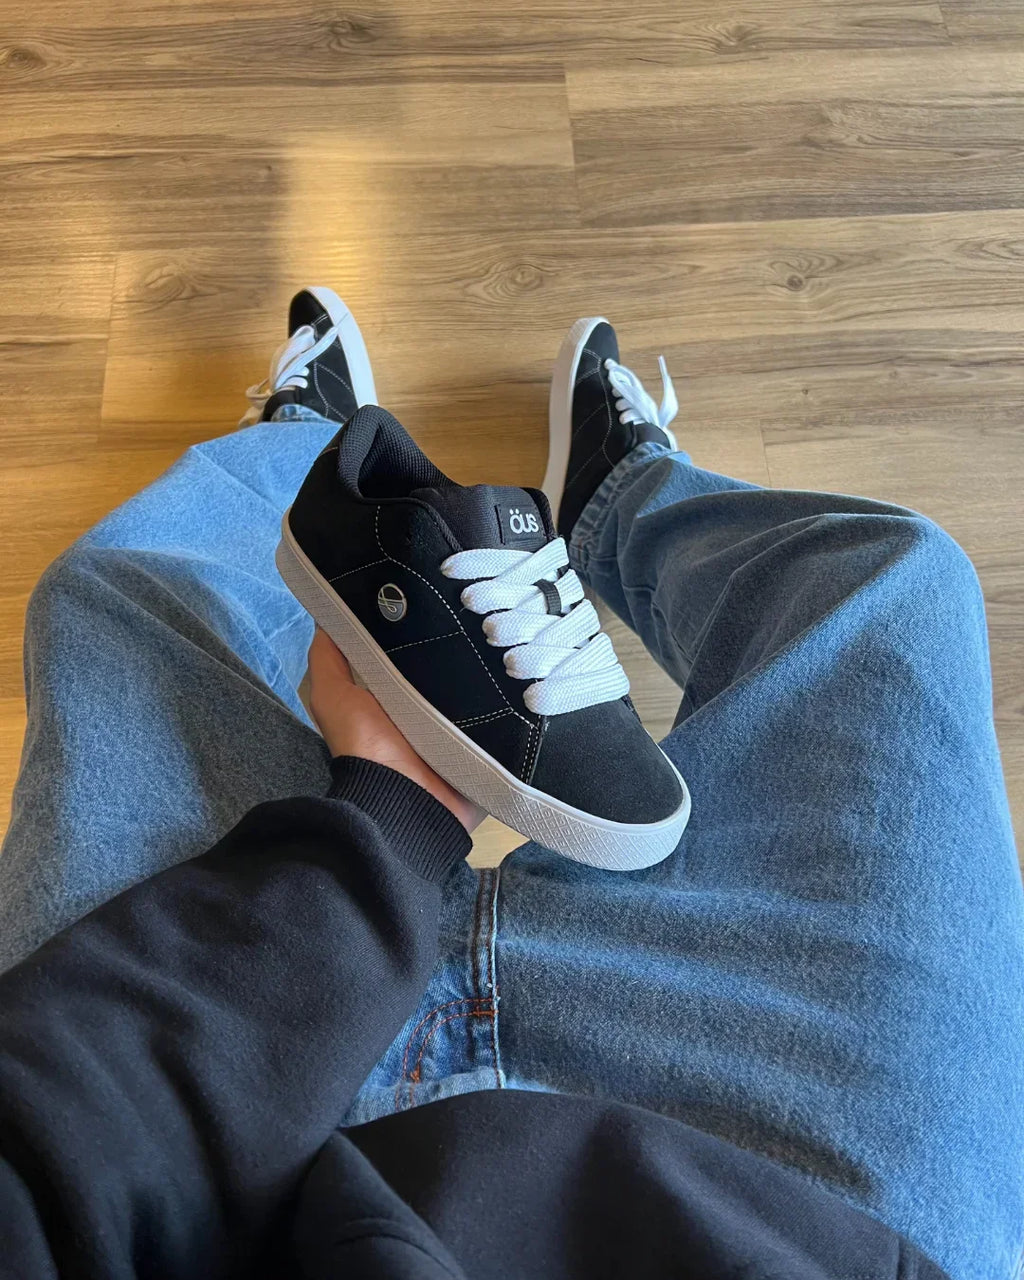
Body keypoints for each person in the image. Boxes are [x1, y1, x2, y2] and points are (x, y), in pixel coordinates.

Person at [0, 293, 1020, 1280]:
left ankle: (298, 449)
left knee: (122, 597)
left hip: (214, 1188)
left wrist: (392, 824)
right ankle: (619, 487)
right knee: (893, 577)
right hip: (790, 1207)